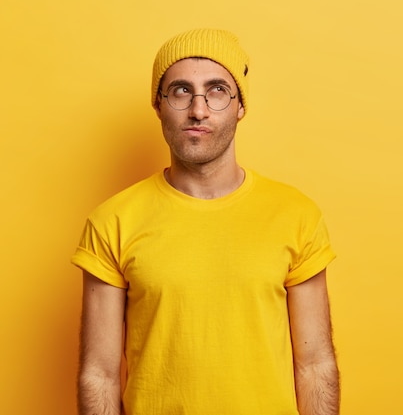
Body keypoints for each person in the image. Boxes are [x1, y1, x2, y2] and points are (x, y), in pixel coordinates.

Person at [72, 28, 339, 415]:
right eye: (181, 91)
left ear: (239, 106)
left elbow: (315, 366)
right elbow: (99, 374)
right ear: (159, 105)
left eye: (216, 90)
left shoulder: (296, 215)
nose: (199, 109)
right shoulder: (112, 221)